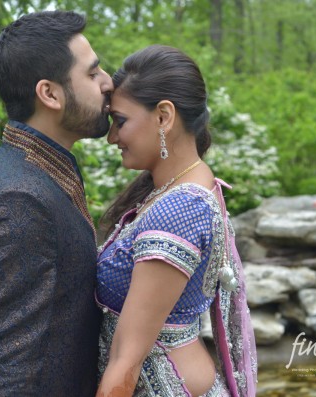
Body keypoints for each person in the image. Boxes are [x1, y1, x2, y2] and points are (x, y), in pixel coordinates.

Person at [0, 11, 113, 396]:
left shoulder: (32, 171)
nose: (108, 83)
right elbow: (0, 378)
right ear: (49, 93)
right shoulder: (20, 201)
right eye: (93, 73)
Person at [95, 45, 257, 397]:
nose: (111, 137)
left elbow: (127, 361)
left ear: (164, 116)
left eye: (120, 121)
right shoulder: (184, 188)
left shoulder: (180, 209)